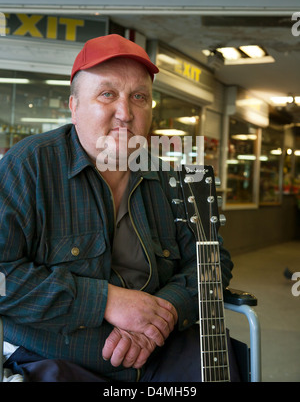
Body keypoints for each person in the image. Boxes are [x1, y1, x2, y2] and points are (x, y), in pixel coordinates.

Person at [0, 34, 234, 382]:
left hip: (159, 352)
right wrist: (106, 301)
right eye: (107, 94)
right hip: (55, 359)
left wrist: (163, 313)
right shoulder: (29, 165)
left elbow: (213, 262)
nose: (125, 113)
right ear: (74, 106)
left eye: (139, 97)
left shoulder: (172, 179)